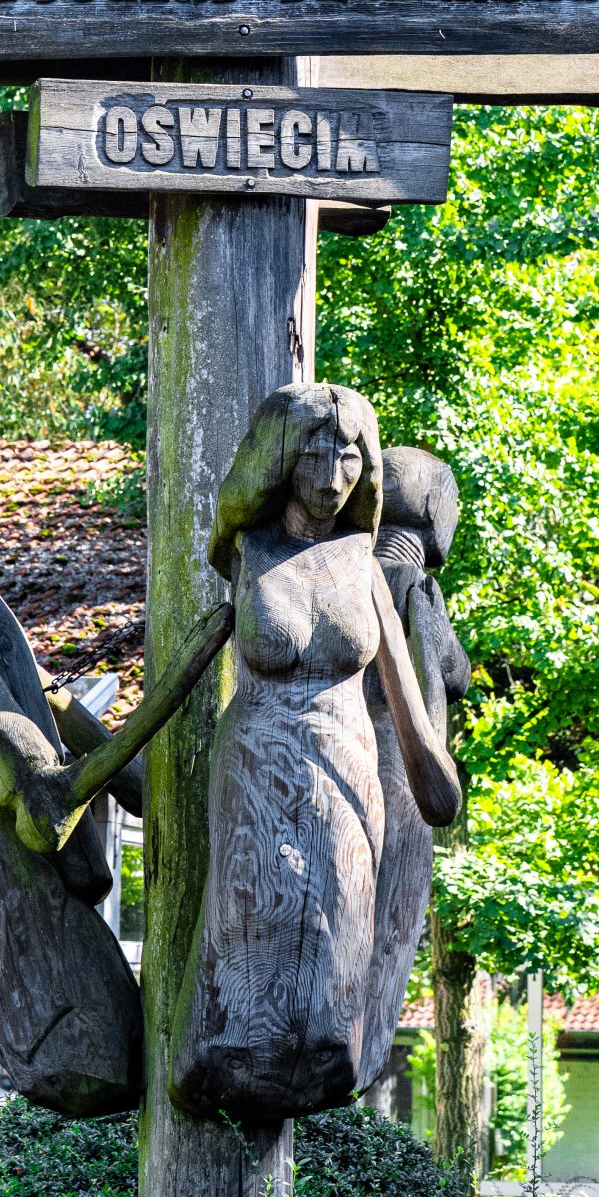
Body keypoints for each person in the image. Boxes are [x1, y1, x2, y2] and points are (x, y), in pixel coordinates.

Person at [0, 474, 229, 1117]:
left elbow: (0, 722)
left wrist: (29, 783)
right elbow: (26, 699)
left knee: (41, 984)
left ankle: (87, 1050)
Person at [171, 385, 462, 1123]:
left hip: (348, 769)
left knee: (334, 929)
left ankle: (319, 1065)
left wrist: (431, 772)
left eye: (349, 456)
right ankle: (221, 1055)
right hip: (256, 769)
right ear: (279, 460)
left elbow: (404, 687)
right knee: (252, 923)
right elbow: (193, 657)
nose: (332, 476)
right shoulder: (247, 552)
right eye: (313, 454)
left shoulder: (363, 563)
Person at [357, 445, 472, 1097]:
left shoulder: (345, 574)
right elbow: (452, 672)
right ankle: (361, 1059)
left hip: (350, 757)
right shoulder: (415, 585)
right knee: (390, 927)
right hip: (402, 769)